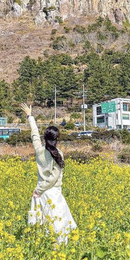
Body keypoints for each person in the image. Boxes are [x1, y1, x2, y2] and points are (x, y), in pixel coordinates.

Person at [20, 103, 77, 243]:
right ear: (57, 139)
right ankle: (60, 249)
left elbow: (34, 135)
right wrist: (40, 189)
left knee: (44, 221)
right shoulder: (58, 155)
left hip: (41, 193)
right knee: (58, 222)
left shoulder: (39, 151)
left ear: (45, 138)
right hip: (53, 192)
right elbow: (54, 177)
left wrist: (30, 116)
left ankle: (46, 247)